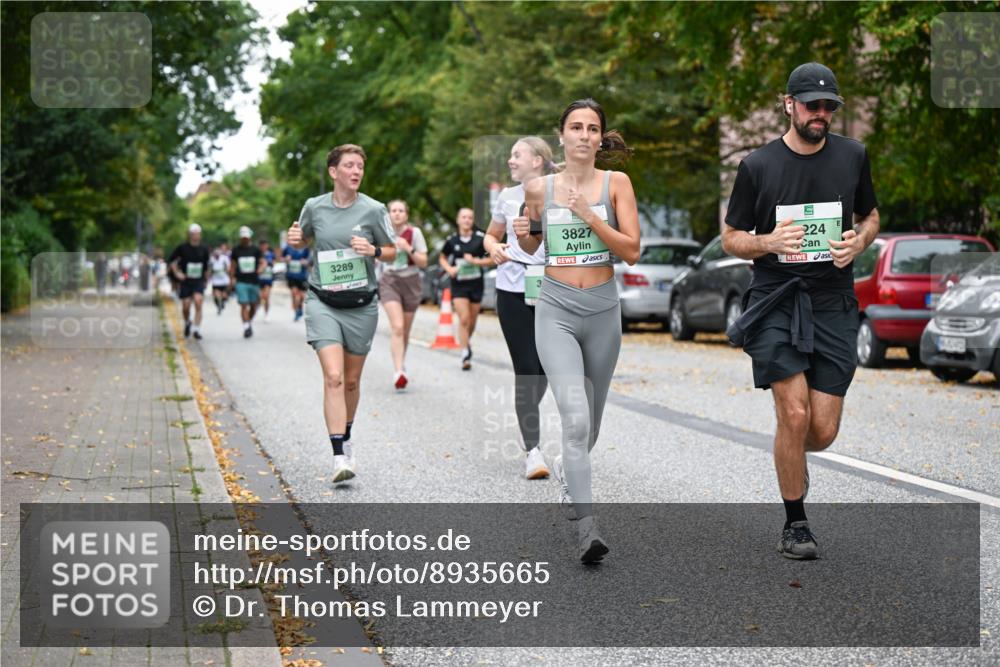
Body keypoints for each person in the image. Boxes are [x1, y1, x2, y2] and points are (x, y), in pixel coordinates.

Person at [722, 63, 879, 560]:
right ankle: (796, 524)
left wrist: (859, 243)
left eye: (829, 105)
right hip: (775, 297)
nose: (821, 113)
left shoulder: (853, 157)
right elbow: (730, 237)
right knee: (793, 413)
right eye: (812, 104)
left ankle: (792, 454)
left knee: (822, 430)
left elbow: (870, 217)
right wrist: (766, 241)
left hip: (832, 300)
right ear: (788, 104)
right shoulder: (758, 166)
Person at [516, 99, 640, 563]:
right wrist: (524, 232)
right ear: (561, 136)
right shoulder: (538, 187)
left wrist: (590, 215)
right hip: (556, 311)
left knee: (591, 426)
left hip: (604, 311)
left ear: (600, 138)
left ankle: (574, 471)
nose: (584, 135)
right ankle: (588, 529)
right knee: (575, 419)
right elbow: (532, 241)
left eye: (592, 128)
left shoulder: (617, 184)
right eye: (575, 127)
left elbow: (632, 251)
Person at [286, 144, 396, 484]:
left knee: (350, 381)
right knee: (333, 376)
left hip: (361, 306)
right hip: (323, 301)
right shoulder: (314, 207)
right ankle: (338, 456)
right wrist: (296, 240)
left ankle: (346, 433)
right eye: (349, 165)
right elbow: (302, 239)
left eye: (360, 166)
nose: (356, 171)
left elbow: (393, 252)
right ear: (334, 172)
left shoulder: (374, 210)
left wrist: (373, 249)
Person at [483, 137, 556, 480]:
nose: (510, 160)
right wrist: (493, 247)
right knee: (526, 367)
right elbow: (490, 235)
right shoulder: (506, 197)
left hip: (552, 289)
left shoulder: (559, 191)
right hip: (512, 290)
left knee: (546, 369)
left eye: (517, 155)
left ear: (538, 160)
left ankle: (527, 411)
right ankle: (533, 450)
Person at [377, 199, 428, 389]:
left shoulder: (414, 233)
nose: (397, 213)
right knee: (397, 327)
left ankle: (401, 363)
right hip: (389, 281)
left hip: (411, 282)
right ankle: (398, 371)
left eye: (400, 210)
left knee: (404, 331)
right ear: (388, 214)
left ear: (406, 214)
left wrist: (408, 248)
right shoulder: (382, 233)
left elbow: (423, 261)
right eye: (393, 210)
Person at [438, 208, 491, 370]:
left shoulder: (480, 239)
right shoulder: (452, 240)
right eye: (464, 217)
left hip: (476, 284)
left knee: (472, 322)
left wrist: (476, 262)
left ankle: (465, 343)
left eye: (470, 218)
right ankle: (465, 352)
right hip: (459, 284)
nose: (467, 220)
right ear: (458, 220)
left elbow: (492, 259)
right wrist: (449, 269)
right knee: (464, 318)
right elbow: (442, 257)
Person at [168, 223, 212, 339]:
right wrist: (177, 273)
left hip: (198, 280)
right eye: (193, 234)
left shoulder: (204, 249)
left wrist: (206, 279)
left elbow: (208, 266)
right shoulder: (182, 248)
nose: (195, 236)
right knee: (186, 306)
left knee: (198, 301)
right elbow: (172, 261)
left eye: (197, 234)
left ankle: (196, 329)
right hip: (186, 280)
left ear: (200, 235)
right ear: (189, 235)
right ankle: (187, 322)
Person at [229, 226, 264, 339]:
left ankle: (248, 321)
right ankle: (246, 327)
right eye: (243, 237)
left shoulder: (255, 250)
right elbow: (233, 266)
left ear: (249, 237)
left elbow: (263, 262)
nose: (245, 239)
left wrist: (260, 269)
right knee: (244, 305)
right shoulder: (236, 250)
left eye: (246, 237)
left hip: (253, 281)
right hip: (241, 281)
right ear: (240, 238)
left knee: (254, 305)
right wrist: (231, 279)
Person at [283, 242, 311, 321]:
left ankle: (300, 308)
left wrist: (305, 262)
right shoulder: (288, 248)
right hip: (291, 276)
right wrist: (286, 259)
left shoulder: (305, 249)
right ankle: (296, 312)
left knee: (301, 296)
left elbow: (309, 261)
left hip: (302, 277)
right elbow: (282, 258)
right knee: (294, 294)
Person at [210, 247, 231, 314]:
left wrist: (228, 273)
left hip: (224, 280)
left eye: (218, 254)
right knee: (216, 296)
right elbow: (209, 269)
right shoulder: (211, 259)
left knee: (224, 295)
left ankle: (222, 302)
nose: (216, 256)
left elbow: (228, 267)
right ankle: (219, 306)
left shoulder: (224, 259)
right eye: (215, 254)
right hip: (215, 281)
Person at [258, 239, 276, 321]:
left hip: (268, 278)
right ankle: (258, 307)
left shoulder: (271, 254)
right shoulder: (257, 254)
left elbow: (273, 263)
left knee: (266, 296)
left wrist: (266, 263)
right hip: (259, 278)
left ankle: (266, 313)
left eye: (265, 245)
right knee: (260, 297)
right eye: (262, 245)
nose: (263, 247)